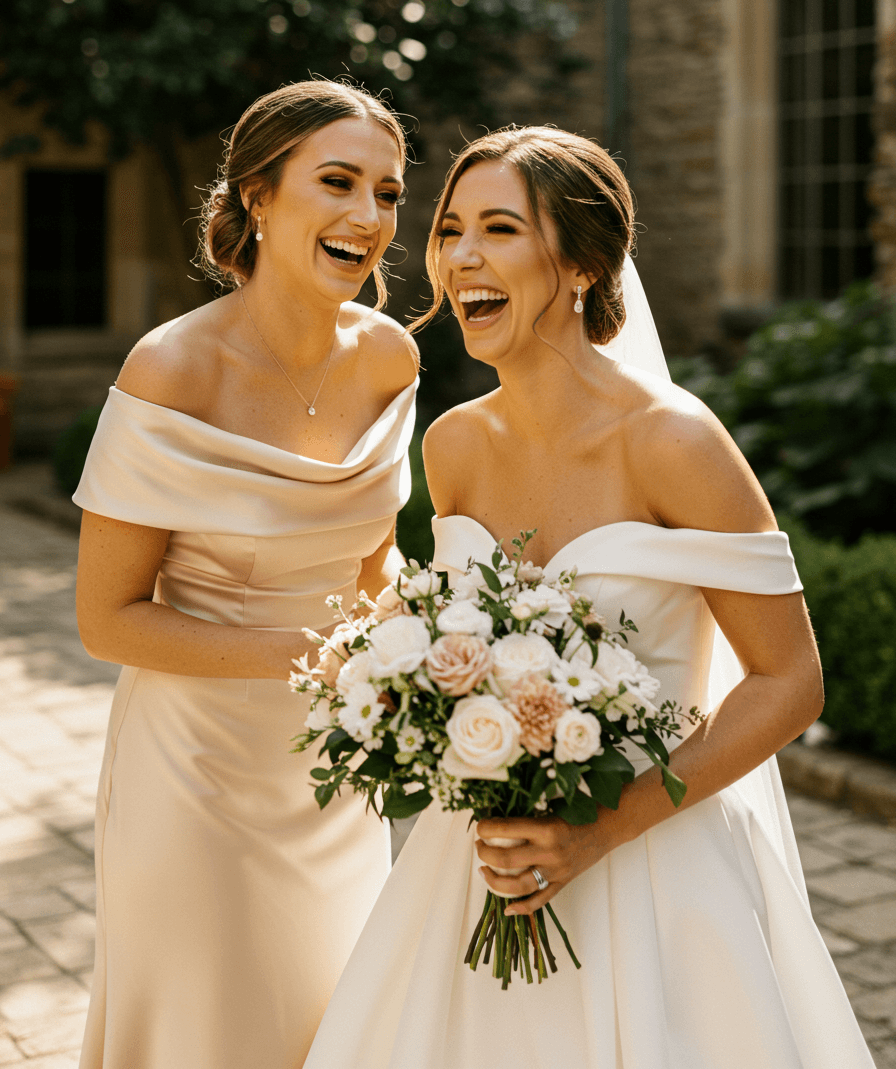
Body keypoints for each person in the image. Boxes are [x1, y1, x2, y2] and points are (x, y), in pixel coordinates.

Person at [304, 126, 873, 1069]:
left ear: (581, 264)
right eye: (449, 231)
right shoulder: (453, 446)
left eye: (499, 229)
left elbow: (790, 680)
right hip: (476, 863)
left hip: (655, 861)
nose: (462, 258)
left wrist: (600, 831)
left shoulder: (674, 442)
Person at [73, 80, 419, 1068]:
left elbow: (370, 559)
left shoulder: (390, 356)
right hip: (195, 771)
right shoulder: (172, 369)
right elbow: (107, 619)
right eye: (338, 181)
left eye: (388, 193)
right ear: (258, 197)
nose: (368, 216)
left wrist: (420, 642)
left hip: (335, 771)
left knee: (332, 1023)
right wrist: (319, 654)